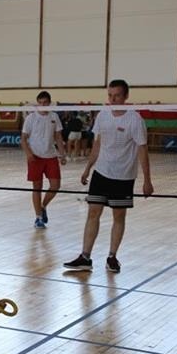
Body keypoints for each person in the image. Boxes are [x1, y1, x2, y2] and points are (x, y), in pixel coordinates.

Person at [64, 79, 154, 274]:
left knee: (118, 216)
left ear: (126, 96)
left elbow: (142, 149)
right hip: (101, 173)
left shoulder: (135, 120)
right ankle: (85, 257)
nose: (113, 99)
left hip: (123, 176)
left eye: (117, 96)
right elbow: (97, 143)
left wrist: (147, 180)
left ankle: (112, 257)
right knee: (93, 213)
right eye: (110, 95)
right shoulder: (103, 115)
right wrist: (88, 168)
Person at [21, 91, 67, 229]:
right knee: (37, 188)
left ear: (49, 103)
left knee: (55, 186)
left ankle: (43, 206)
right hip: (35, 157)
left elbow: (58, 137)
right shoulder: (31, 118)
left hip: (51, 156)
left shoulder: (54, 117)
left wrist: (62, 154)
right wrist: (28, 153)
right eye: (40, 102)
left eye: (45, 102)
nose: (42, 105)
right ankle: (38, 218)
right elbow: (23, 139)